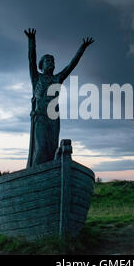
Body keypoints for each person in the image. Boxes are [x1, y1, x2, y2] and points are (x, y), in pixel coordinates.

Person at [24, 28, 94, 167]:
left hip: (54, 118)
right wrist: (32, 41)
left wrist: (83, 47)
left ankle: (51, 172)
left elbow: (71, 65)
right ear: (42, 65)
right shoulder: (36, 78)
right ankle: (37, 173)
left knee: (51, 148)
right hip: (41, 116)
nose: (51, 62)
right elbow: (31, 59)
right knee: (41, 147)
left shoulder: (58, 78)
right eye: (48, 61)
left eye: (53, 61)